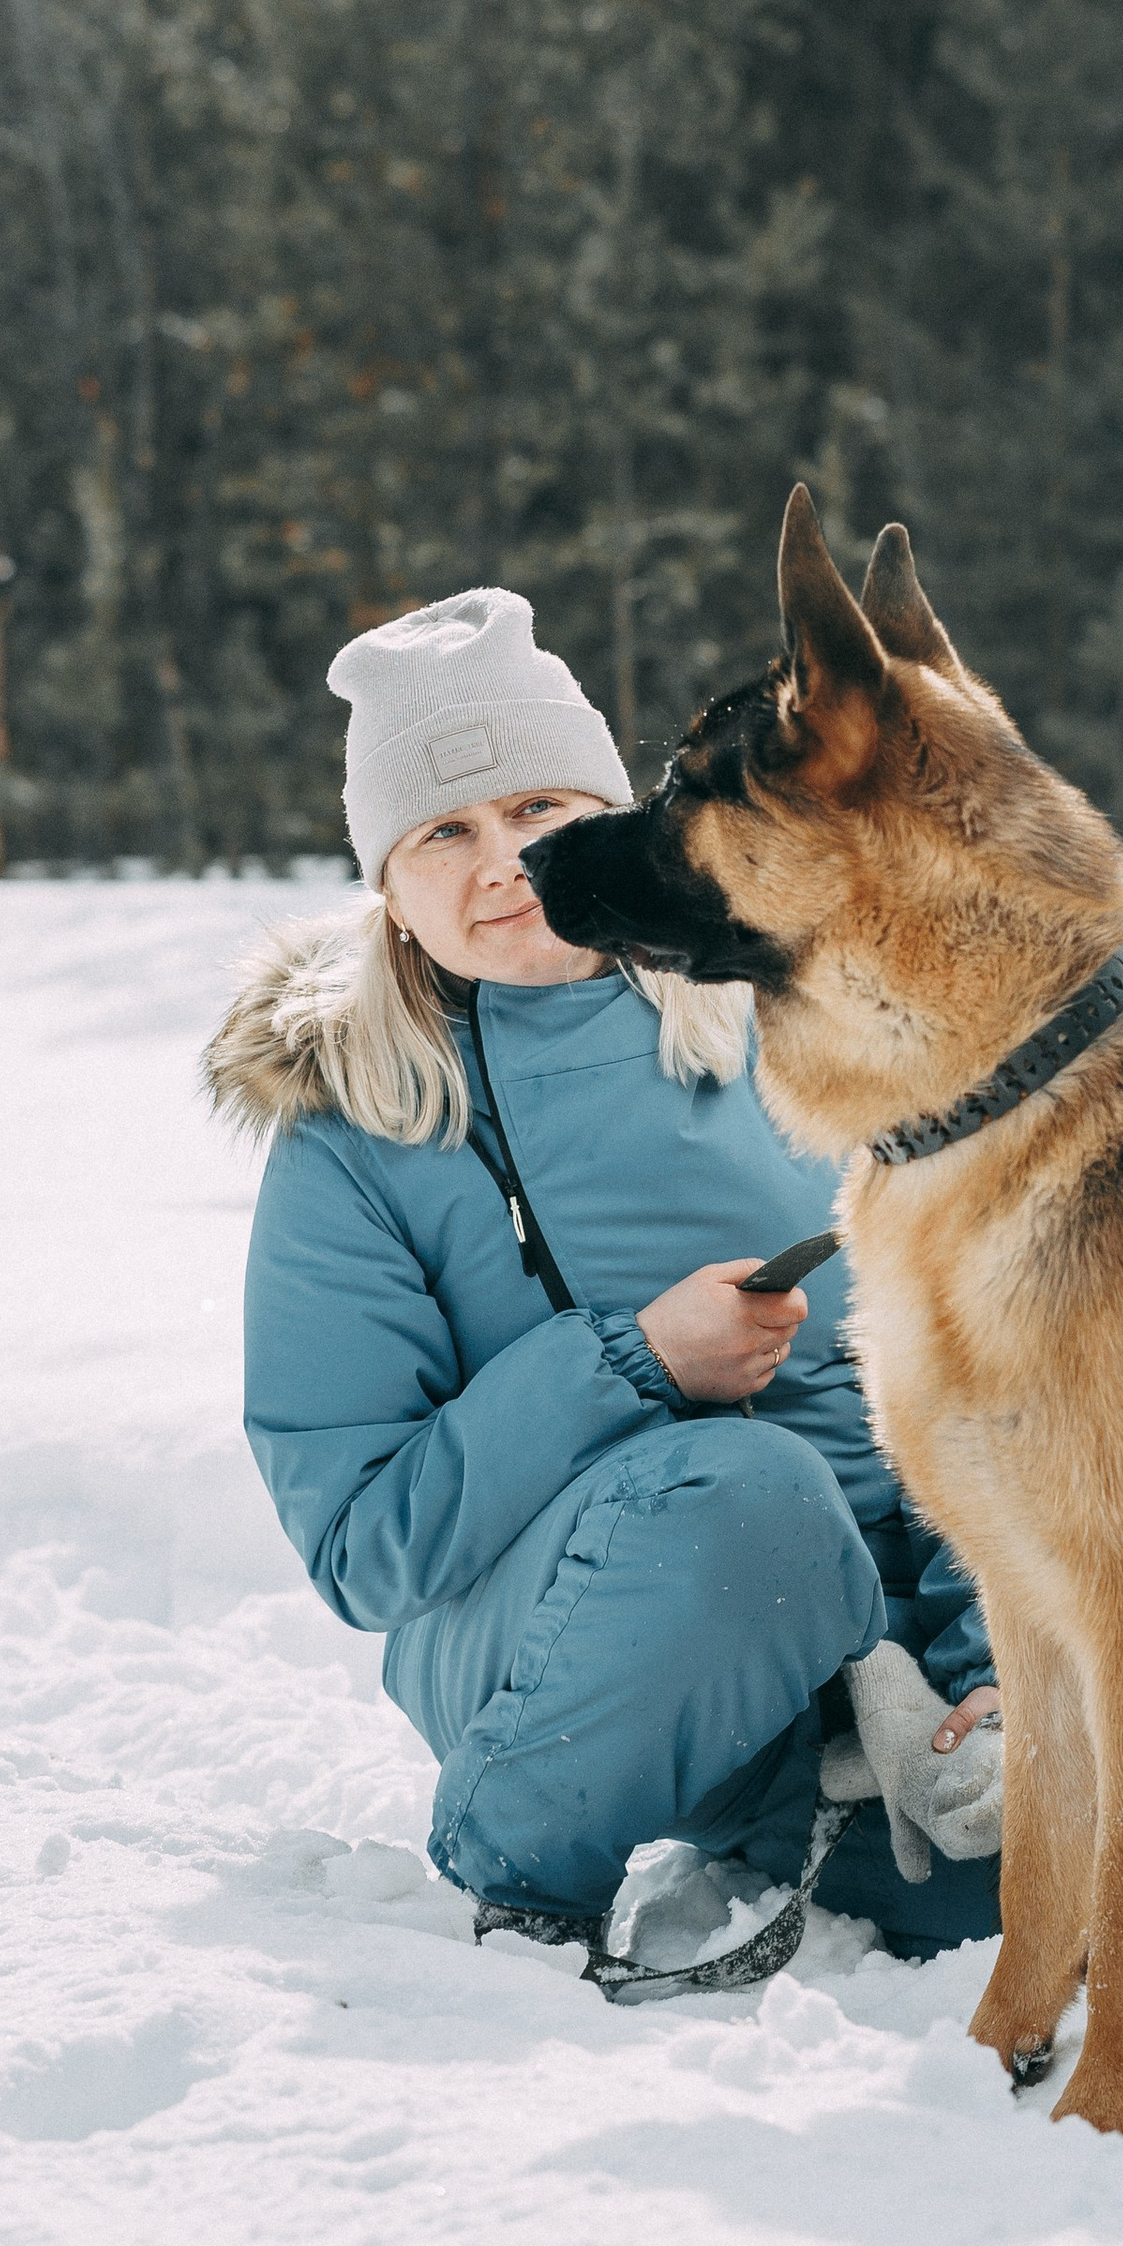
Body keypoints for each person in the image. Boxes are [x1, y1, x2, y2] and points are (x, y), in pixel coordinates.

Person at [207, 586, 1006, 1993]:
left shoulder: (793, 1031)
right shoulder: (354, 1143)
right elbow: (367, 1548)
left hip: (851, 1644)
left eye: (539, 809)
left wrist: (987, 1670)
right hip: (555, 1647)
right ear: (385, 879)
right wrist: (630, 1362)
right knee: (746, 1501)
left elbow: (974, 1389)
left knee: (1027, 1872)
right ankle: (523, 1872)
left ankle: (824, 1791)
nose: (505, 861)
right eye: (444, 831)